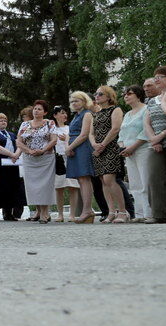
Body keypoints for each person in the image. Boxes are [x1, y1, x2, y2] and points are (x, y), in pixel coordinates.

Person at [90, 85, 128, 223]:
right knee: (102, 181)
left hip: (110, 147)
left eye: (100, 94)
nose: (97, 96)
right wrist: (94, 144)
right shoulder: (96, 113)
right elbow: (91, 133)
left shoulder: (115, 109)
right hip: (98, 149)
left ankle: (123, 212)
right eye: (96, 94)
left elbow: (115, 128)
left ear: (108, 96)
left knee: (109, 179)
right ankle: (111, 211)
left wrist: (103, 145)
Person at [16, 100, 57, 223]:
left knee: (45, 186)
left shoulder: (50, 123)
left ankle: (45, 213)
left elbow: (53, 140)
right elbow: (18, 141)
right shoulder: (25, 125)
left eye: (39, 109)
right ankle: (38, 211)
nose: (36, 111)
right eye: (35, 109)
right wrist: (28, 150)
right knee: (33, 187)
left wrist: (43, 150)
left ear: (45, 112)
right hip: (29, 159)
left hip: (46, 158)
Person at [119, 85, 151, 222]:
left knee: (145, 182)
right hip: (128, 152)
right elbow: (121, 133)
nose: (126, 96)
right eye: (125, 94)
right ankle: (139, 214)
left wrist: (133, 147)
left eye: (129, 93)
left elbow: (145, 131)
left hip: (142, 149)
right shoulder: (127, 114)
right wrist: (123, 147)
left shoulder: (146, 109)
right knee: (135, 183)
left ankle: (149, 213)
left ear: (138, 95)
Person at [0, 113, 24, 220]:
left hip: (11, 164)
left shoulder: (11, 134)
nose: (3, 122)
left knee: (11, 187)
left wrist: (16, 154)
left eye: (5, 120)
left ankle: (8, 212)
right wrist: (11, 154)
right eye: (0, 120)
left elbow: (19, 144)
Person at [65, 92, 96, 223]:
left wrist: (70, 147)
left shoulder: (87, 114)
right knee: (80, 179)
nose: (74, 104)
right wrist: (68, 147)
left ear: (84, 101)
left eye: (77, 101)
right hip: (74, 147)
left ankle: (87, 209)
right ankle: (86, 211)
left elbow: (84, 134)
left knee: (84, 178)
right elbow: (69, 133)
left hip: (82, 147)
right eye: (72, 101)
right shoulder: (76, 116)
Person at [145, 66, 166, 223]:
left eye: (160, 76)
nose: (156, 79)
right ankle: (159, 214)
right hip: (157, 144)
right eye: (155, 77)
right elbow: (147, 122)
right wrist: (154, 139)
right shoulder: (152, 100)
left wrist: (160, 136)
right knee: (154, 177)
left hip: (163, 138)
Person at [51, 105, 80, 221]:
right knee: (59, 188)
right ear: (55, 115)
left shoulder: (69, 128)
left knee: (73, 186)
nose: (64, 115)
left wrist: (66, 140)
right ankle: (60, 214)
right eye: (61, 113)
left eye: (65, 113)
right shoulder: (52, 129)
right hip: (57, 159)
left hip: (71, 159)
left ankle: (72, 214)